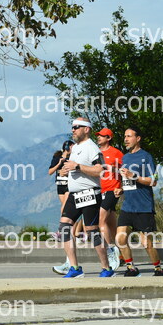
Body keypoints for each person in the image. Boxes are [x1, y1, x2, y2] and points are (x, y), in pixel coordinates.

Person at [58, 117, 114, 278]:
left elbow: (100, 170)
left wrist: (76, 166)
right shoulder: (75, 148)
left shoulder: (92, 148)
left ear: (86, 129)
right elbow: (75, 168)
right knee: (64, 228)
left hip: (90, 193)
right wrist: (65, 171)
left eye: (77, 127)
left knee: (92, 232)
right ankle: (74, 268)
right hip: (74, 194)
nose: (73, 129)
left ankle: (106, 268)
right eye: (72, 127)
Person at [115, 126, 163, 277]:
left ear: (138, 139)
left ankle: (158, 269)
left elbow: (153, 181)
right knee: (120, 238)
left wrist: (134, 176)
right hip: (127, 206)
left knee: (147, 243)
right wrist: (121, 189)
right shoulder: (125, 158)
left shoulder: (146, 157)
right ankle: (131, 268)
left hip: (143, 207)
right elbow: (127, 181)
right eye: (125, 136)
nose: (126, 139)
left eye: (129, 136)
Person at [96, 127, 123, 271]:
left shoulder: (116, 153)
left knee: (101, 220)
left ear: (109, 138)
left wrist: (122, 187)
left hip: (113, 189)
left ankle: (110, 251)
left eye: (102, 135)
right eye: (98, 135)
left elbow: (125, 171)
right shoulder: (96, 152)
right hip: (99, 190)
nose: (99, 137)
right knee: (112, 225)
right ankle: (123, 253)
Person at [50, 140, 74, 275]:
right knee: (64, 209)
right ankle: (70, 229)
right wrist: (59, 164)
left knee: (64, 209)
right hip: (60, 185)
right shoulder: (57, 157)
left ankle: (61, 230)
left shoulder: (73, 158)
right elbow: (50, 171)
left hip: (69, 186)